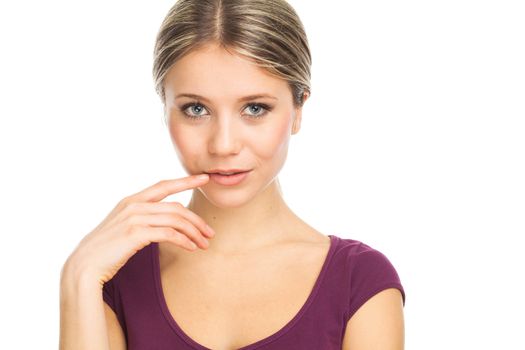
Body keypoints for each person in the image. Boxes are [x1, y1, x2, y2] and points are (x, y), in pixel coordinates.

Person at [59, 0, 406, 349]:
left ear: (299, 108)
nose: (223, 145)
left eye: (255, 109)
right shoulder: (116, 277)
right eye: (196, 109)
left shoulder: (359, 284)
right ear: (164, 109)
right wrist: (78, 275)